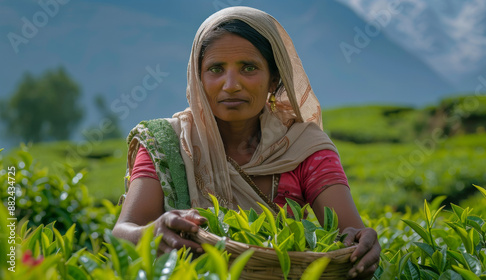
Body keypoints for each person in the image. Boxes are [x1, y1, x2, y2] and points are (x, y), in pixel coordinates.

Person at [112, 6, 380, 279]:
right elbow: (123, 232)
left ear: (274, 78)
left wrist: (362, 243)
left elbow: (351, 233)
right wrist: (153, 232)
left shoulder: (304, 147)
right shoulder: (167, 145)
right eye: (216, 69)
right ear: (198, 78)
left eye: (248, 68)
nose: (231, 85)